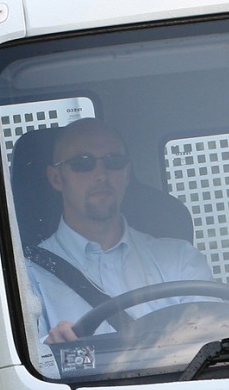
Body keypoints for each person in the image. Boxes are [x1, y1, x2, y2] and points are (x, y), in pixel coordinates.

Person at [23, 118, 214, 342]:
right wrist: (49, 349)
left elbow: (214, 338)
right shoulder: (28, 276)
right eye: (82, 163)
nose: (101, 174)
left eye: (114, 161)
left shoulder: (180, 259)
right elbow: (22, 359)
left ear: (126, 174)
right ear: (56, 178)